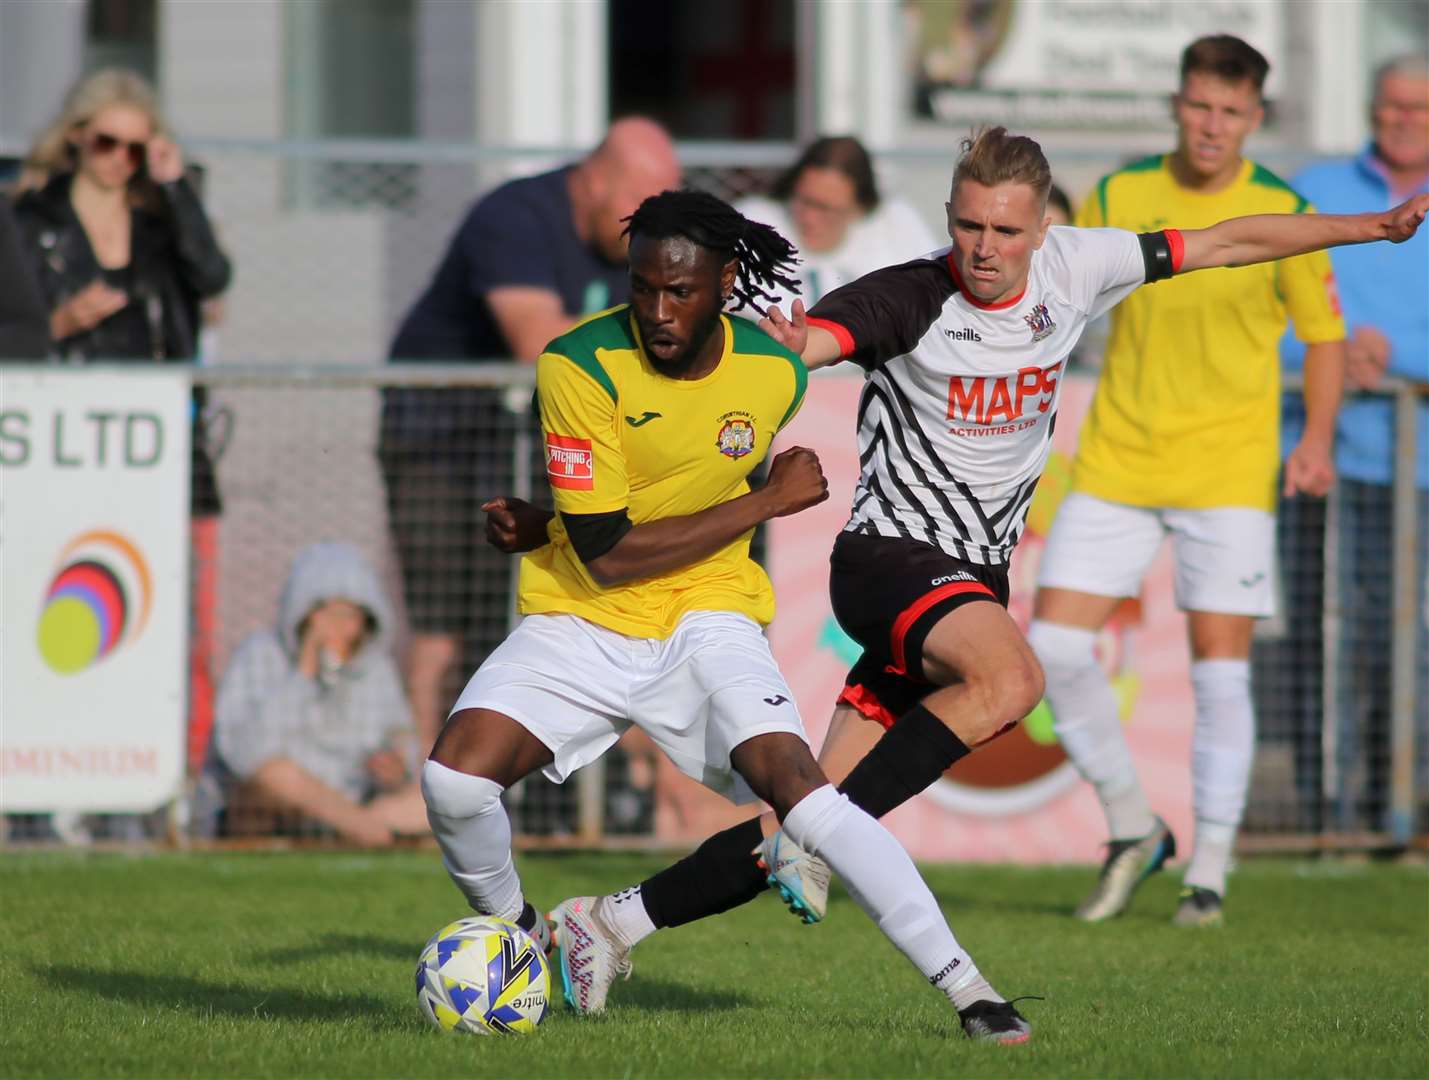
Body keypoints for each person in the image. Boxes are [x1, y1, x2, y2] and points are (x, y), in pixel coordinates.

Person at [480, 128, 1426, 985]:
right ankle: (821, 858)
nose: (984, 248)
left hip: (970, 572)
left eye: (1006, 231)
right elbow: (792, 353)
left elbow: (1228, 240)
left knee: (800, 814)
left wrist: (1375, 227)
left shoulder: (1082, 265)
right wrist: (762, 342)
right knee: (1010, 677)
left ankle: (607, 924)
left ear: (1042, 226)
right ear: (948, 218)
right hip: (887, 559)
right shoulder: (907, 295)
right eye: (968, 224)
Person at [421, 188, 1037, 1044]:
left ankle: (972, 994)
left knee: (805, 795)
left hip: (709, 617)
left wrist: (551, 518)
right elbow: (610, 551)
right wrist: (765, 503)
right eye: (642, 288)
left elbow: (669, 485)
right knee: (453, 782)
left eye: (681, 291)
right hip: (584, 615)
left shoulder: (773, 373)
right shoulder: (576, 365)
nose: (658, 311)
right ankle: (523, 941)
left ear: (724, 284)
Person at [1027, 36, 1350, 928]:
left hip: (1226, 474)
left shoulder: (1283, 210)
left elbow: (1323, 336)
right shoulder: (1118, 194)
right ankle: (1134, 823)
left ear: (1253, 118)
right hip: (1118, 459)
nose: (1211, 126)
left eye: (1230, 112)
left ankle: (1207, 873)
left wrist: (1313, 437)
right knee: (1051, 650)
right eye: (1199, 106)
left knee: (1220, 677)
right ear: (1177, 102)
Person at [380, 117, 681, 755]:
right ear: (595, 182)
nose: (647, 240)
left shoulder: (635, 246)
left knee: (558, 615)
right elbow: (535, 341)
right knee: (443, 623)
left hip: (523, 436)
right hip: (437, 432)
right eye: (638, 216)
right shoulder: (514, 216)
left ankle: (552, 784)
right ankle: (424, 772)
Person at [10, 67, 232, 818]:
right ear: (77, 138)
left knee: (187, 623)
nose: (119, 162)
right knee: (44, 613)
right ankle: (46, 790)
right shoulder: (28, 217)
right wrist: (60, 325)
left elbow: (212, 276)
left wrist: (177, 190)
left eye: (138, 149)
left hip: (163, 452)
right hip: (62, 450)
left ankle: (178, 792)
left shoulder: (163, 218)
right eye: (107, 144)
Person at [1275, 54, 1429, 832]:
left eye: (1418, 108)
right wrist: (1330, 356)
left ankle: (1400, 813)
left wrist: (1393, 361)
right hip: (1326, 464)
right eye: (1390, 105)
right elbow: (1264, 322)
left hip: (1420, 470)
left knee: (1412, 646)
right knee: (1325, 645)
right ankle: (1324, 812)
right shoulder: (1317, 194)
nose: (1402, 119)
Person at [200, 542, 426, 846]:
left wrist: (395, 765)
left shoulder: (376, 668)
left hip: (357, 801)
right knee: (274, 775)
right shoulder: (260, 654)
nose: (338, 628)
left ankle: (358, 827)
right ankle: (359, 828)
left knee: (439, 799)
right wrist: (304, 674)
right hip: (275, 804)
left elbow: (400, 737)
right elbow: (246, 756)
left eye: (348, 616)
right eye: (327, 615)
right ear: (304, 615)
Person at [735, 135, 936, 309]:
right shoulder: (755, 223)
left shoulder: (896, 223)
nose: (809, 218)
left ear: (859, 208)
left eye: (825, 209)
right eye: (804, 201)